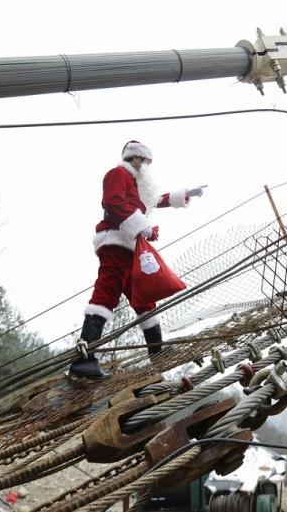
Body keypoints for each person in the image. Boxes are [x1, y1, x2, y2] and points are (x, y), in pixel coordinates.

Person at [70, 140, 204, 379]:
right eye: (146, 161)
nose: (148, 166)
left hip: (129, 247)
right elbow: (113, 202)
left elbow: (152, 199)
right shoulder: (118, 173)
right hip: (115, 243)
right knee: (106, 294)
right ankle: (84, 358)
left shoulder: (136, 183)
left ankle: (157, 351)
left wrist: (183, 195)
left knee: (144, 299)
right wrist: (144, 228)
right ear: (135, 159)